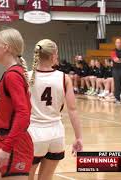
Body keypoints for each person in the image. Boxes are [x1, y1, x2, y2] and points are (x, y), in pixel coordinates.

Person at [27, 39, 83, 180]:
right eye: (57, 54)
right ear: (52, 56)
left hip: (33, 134)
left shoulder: (26, 77)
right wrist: (78, 137)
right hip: (56, 135)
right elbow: (73, 110)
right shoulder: (64, 78)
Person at [0, 28, 33, 179]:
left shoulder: (12, 76)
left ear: (6, 47)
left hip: (14, 143)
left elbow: (23, 114)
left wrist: (7, 147)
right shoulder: (11, 73)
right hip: (6, 139)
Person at [110, 39, 121, 104]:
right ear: (115, 43)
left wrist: (120, 60)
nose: (119, 44)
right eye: (117, 42)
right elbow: (115, 60)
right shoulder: (113, 51)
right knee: (117, 84)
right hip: (116, 70)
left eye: (120, 42)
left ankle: (119, 97)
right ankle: (117, 98)